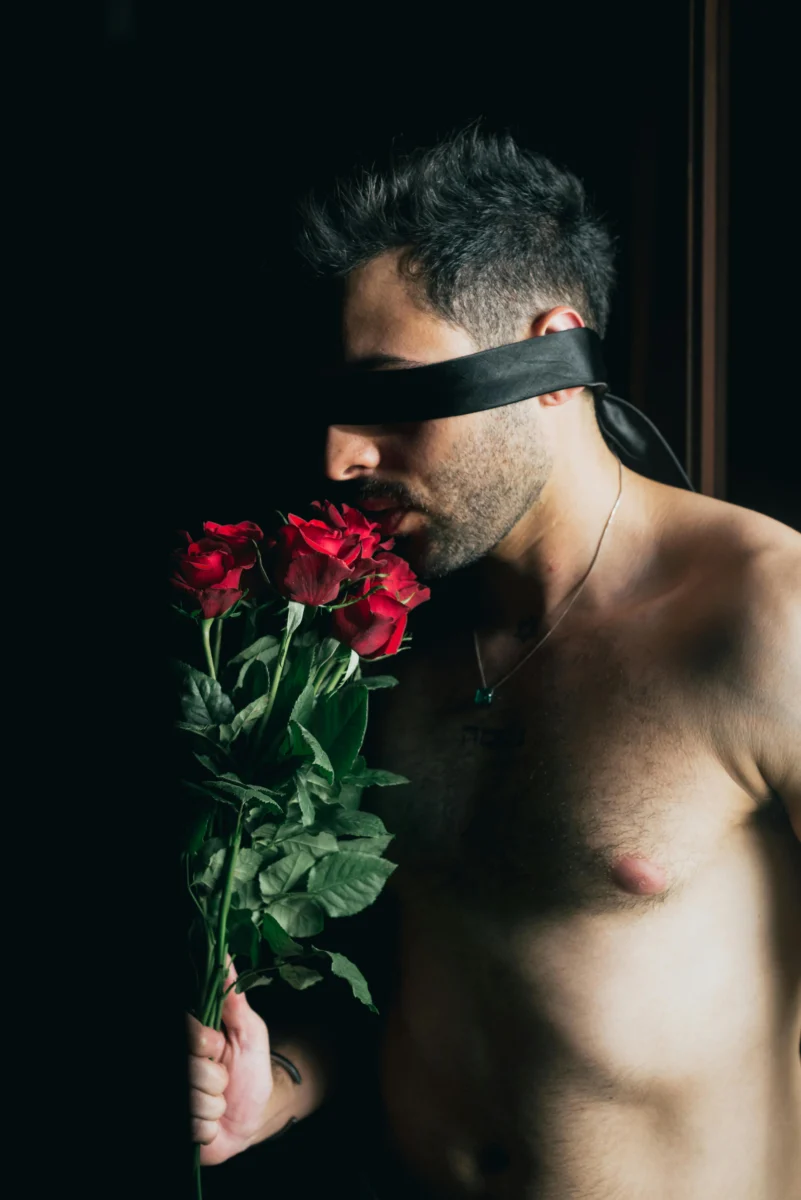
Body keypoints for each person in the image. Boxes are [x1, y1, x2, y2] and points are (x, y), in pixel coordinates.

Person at [187, 126, 801, 1199]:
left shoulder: (766, 617)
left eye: (393, 393)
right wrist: (275, 1083)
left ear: (553, 358)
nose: (340, 458)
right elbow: (419, 964)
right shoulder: (378, 637)